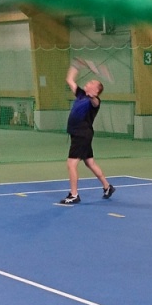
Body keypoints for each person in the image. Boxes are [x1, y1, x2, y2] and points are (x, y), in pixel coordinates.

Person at [60, 57, 115, 204]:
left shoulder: (94, 101)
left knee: (71, 164)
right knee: (89, 162)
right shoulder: (80, 94)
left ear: (96, 90)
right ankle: (107, 187)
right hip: (79, 134)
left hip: (81, 134)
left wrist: (94, 96)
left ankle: (74, 195)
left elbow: (95, 102)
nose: (88, 83)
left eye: (92, 83)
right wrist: (77, 65)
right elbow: (69, 80)